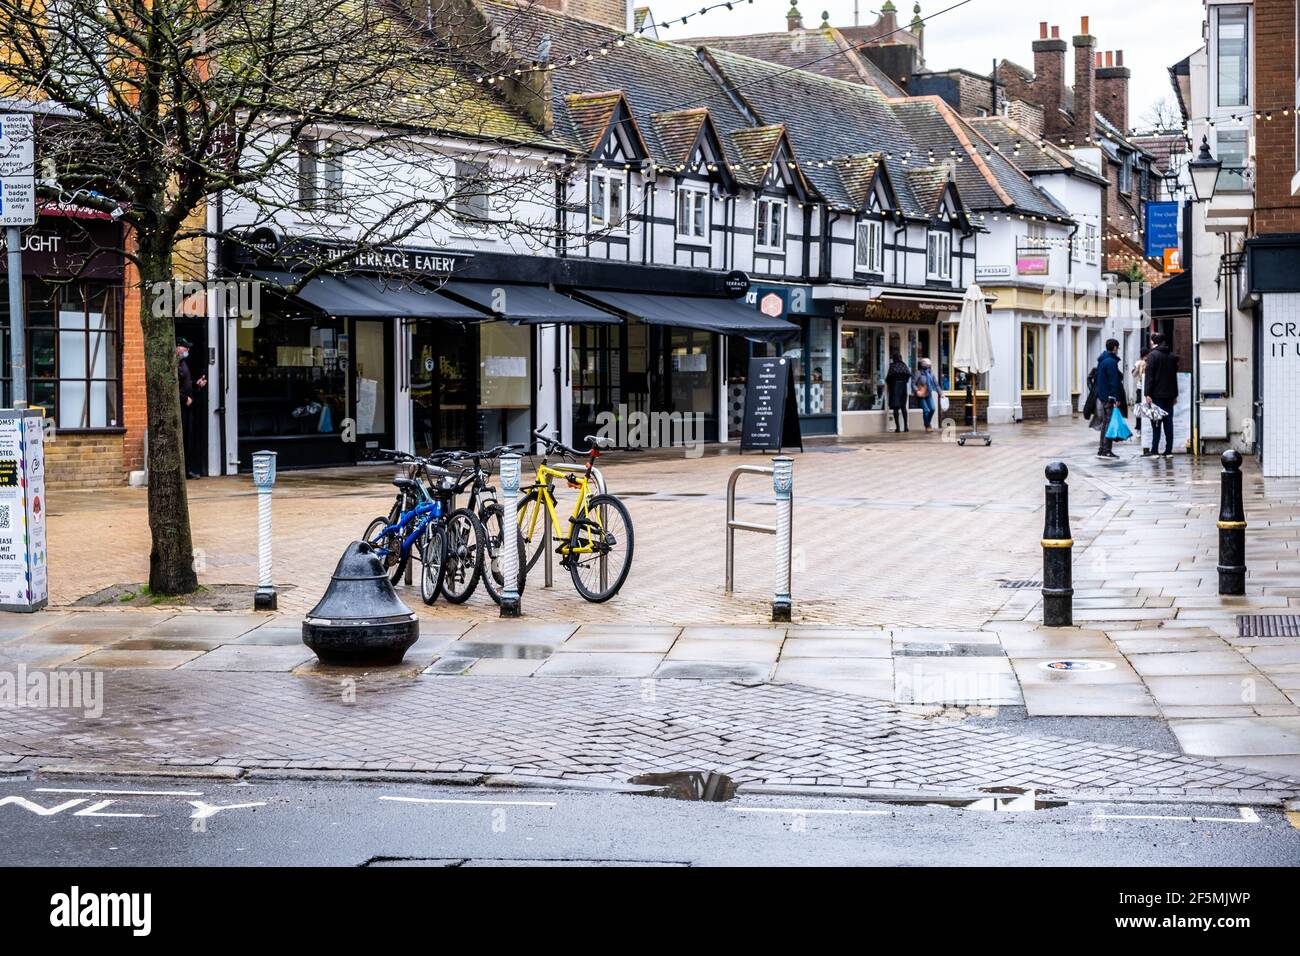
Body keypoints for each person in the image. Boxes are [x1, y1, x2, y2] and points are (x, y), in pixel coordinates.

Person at [1143, 331, 1180, 458]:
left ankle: (1154, 450)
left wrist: (1147, 393)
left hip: (1156, 395)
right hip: (1169, 395)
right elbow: (1173, 377)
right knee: (1168, 423)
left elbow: (1149, 377)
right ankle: (1168, 451)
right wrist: (1175, 394)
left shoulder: (1152, 356)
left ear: (1153, 342)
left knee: (1156, 423)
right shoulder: (1171, 356)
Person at [177, 337, 207, 479]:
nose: (188, 350)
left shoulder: (183, 363)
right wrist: (184, 399)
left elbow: (186, 385)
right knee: (182, 439)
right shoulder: (174, 365)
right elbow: (171, 389)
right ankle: (183, 471)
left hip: (187, 408)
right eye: (185, 347)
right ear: (177, 347)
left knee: (188, 439)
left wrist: (197, 385)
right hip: (180, 409)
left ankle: (187, 470)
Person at [1093, 338, 1126, 460]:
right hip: (1109, 397)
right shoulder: (1111, 362)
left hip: (1103, 396)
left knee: (1106, 423)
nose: (1118, 350)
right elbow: (1114, 381)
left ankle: (1102, 449)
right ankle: (1106, 450)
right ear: (1115, 348)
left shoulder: (1102, 361)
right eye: (1118, 348)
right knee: (1109, 424)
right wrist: (1116, 397)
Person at [885, 351, 912, 432]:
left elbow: (888, 378)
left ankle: (898, 427)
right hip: (903, 388)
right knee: (903, 407)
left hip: (895, 388)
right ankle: (906, 426)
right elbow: (908, 375)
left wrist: (889, 384)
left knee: (895, 408)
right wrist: (904, 381)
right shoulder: (904, 365)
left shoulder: (892, 366)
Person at [913, 357, 942, 432]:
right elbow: (913, 384)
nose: (929, 366)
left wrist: (941, 393)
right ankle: (927, 425)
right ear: (923, 365)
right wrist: (917, 391)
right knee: (926, 410)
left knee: (932, 409)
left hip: (928, 394)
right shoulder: (918, 373)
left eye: (929, 365)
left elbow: (936, 385)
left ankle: (927, 422)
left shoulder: (931, 374)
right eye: (927, 365)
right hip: (921, 395)